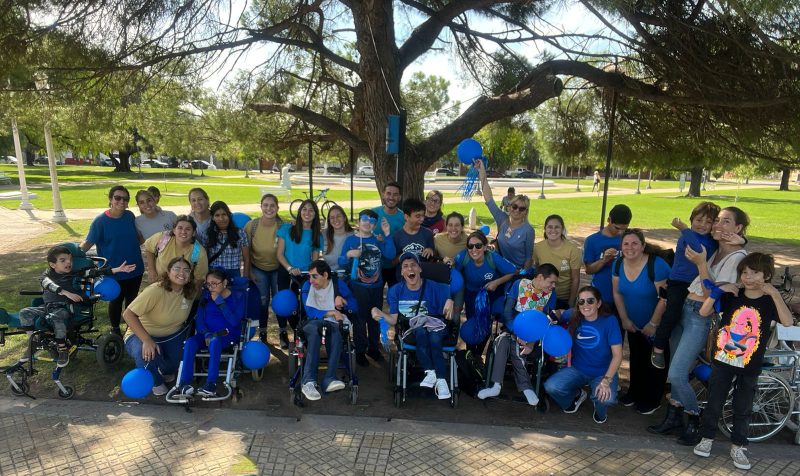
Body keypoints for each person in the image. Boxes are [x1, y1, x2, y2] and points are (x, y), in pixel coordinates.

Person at [692, 253, 794, 471]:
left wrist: (775, 294)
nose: (748, 277)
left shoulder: (769, 301)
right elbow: (703, 311)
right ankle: (706, 437)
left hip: (750, 364)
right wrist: (718, 292)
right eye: (744, 272)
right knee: (715, 401)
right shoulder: (733, 294)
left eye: (754, 272)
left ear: (766, 275)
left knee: (744, 405)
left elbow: (787, 321)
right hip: (724, 359)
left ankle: (738, 445)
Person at [662, 207, 750, 446]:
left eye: (726, 222)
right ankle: (675, 416)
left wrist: (701, 263)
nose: (718, 225)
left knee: (677, 374)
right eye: (717, 221)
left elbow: (712, 289)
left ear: (738, 228)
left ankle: (696, 419)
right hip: (685, 308)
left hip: (700, 317)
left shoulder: (737, 257)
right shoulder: (717, 248)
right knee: (676, 368)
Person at [18, 245, 135, 366]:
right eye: (63, 260)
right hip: (48, 307)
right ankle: (33, 343)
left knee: (56, 317)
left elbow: (96, 272)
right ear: (53, 265)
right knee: (24, 312)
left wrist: (118, 269)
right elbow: (48, 284)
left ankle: (62, 350)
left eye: (70, 259)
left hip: (66, 308)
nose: (68, 262)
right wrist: (66, 292)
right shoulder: (46, 275)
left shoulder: (75, 273)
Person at [372, 252, 454, 400]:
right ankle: (431, 372)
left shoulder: (436, 287)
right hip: (412, 331)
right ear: (402, 272)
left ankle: (440, 380)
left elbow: (451, 297)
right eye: (405, 266)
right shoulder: (395, 291)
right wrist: (379, 312)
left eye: (413, 265)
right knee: (421, 331)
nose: (410, 268)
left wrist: (451, 300)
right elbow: (394, 320)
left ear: (420, 269)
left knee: (434, 338)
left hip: (436, 327)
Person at [650, 202, 721, 370]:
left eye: (708, 221)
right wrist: (683, 229)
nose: (702, 225)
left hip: (696, 284)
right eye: (698, 220)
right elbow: (696, 248)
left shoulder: (711, 241)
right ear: (691, 220)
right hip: (679, 283)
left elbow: (713, 246)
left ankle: (695, 352)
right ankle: (658, 348)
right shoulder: (685, 238)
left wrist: (741, 239)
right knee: (672, 314)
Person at [478, 264, 559, 406]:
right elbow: (507, 312)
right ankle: (523, 387)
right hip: (512, 326)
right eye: (551, 282)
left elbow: (546, 322)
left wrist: (531, 342)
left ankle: (497, 385)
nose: (553, 286)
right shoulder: (519, 285)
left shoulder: (551, 295)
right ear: (540, 277)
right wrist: (517, 332)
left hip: (533, 333)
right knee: (503, 340)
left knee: (506, 342)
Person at [611, 228, 671, 415]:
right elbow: (617, 292)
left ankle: (653, 399)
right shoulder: (618, 263)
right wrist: (624, 319)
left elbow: (665, 298)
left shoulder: (657, 265)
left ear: (643, 246)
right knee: (637, 356)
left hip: (657, 323)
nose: (630, 247)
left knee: (655, 360)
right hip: (633, 322)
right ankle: (635, 392)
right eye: (626, 244)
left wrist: (653, 324)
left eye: (635, 243)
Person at [544, 286, 623, 424]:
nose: (585, 305)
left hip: (602, 373)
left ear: (598, 303)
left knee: (605, 399)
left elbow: (617, 355)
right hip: (577, 369)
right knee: (551, 387)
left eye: (590, 301)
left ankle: (598, 407)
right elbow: (560, 313)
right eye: (581, 302)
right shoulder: (575, 314)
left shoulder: (610, 321)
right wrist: (548, 319)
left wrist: (606, 381)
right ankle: (577, 396)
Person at [123, 257, 196, 396]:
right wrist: (146, 340)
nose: (182, 273)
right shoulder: (155, 290)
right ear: (168, 272)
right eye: (177, 269)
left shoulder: (190, 292)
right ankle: (155, 381)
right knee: (144, 354)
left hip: (171, 336)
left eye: (186, 270)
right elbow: (128, 314)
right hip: (142, 334)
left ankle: (162, 368)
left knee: (175, 366)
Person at [80, 186, 145, 337]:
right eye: (117, 198)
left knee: (132, 301)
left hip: (135, 268)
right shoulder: (100, 222)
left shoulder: (130, 216)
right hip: (113, 270)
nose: (121, 201)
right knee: (116, 300)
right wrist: (72, 255)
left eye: (125, 199)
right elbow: (88, 243)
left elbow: (139, 238)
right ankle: (115, 329)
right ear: (110, 200)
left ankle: (131, 329)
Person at [176, 270, 245, 397]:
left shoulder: (238, 296)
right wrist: (206, 333)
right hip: (206, 335)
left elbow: (234, 321)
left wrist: (220, 302)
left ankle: (211, 384)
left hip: (226, 335)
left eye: (214, 283)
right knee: (190, 342)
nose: (210, 287)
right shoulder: (205, 296)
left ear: (224, 283)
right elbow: (200, 320)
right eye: (208, 284)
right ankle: (184, 383)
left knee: (214, 341)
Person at [339, 209, 395, 366]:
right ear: (358, 221)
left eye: (371, 221)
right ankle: (360, 350)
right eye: (364, 219)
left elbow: (390, 255)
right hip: (357, 287)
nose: (367, 223)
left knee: (375, 318)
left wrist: (387, 234)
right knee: (359, 318)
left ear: (375, 225)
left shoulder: (378, 240)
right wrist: (349, 254)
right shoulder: (350, 240)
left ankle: (373, 347)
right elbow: (342, 262)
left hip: (376, 286)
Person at [448, 230, 517, 355]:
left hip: (491, 293)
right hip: (472, 294)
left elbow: (512, 271)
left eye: (478, 245)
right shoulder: (463, 257)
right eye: (470, 246)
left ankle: (478, 355)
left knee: (486, 322)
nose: (474, 249)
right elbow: (453, 275)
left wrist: (496, 282)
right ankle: (470, 355)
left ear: (485, 247)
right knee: (472, 324)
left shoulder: (492, 257)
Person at [299, 260, 358, 400]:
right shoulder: (307, 286)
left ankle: (329, 378)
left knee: (337, 331)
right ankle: (308, 382)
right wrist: (331, 312)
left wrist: (343, 301)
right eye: (310, 276)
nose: (311, 280)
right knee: (314, 332)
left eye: (315, 276)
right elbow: (310, 311)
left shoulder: (338, 285)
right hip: (313, 322)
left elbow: (355, 307)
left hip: (332, 324)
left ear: (325, 275)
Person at [276, 199, 324, 348]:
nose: (307, 213)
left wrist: (311, 274)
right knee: (287, 305)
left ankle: (304, 336)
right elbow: (279, 254)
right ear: (299, 212)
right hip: (286, 272)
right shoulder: (286, 229)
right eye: (304, 209)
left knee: (305, 307)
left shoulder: (317, 235)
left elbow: (315, 261)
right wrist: (290, 268)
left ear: (315, 214)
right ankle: (292, 331)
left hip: (305, 275)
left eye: (311, 210)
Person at [475, 159, 534, 269]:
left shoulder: (528, 230)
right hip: (500, 266)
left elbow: (528, 258)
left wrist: (521, 276)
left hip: (517, 271)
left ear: (526, 211)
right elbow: (489, 198)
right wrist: (481, 170)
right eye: (514, 206)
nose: (517, 210)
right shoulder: (502, 218)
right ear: (509, 206)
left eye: (522, 208)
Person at [247, 193, 282, 343]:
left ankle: (283, 334)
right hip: (258, 268)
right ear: (261, 207)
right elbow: (245, 251)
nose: (269, 208)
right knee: (262, 302)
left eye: (272, 205)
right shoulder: (252, 225)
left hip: (278, 269)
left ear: (277, 208)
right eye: (265, 205)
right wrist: (248, 271)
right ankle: (262, 333)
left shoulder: (283, 227)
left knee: (280, 303)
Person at [582, 204, 632, 310]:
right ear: (609, 220)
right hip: (603, 295)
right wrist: (603, 260)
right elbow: (589, 270)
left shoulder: (629, 239)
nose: (620, 232)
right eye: (617, 228)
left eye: (624, 229)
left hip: (626, 295)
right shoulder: (592, 241)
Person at [143, 215, 209, 289]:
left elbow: (199, 278)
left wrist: (188, 295)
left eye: (188, 229)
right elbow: (148, 248)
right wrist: (151, 270)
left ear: (193, 233)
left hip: (181, 289)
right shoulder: (163, 238)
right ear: (174, 230)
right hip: (158, 284)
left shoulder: (198, 251)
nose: (183, 232)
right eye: (180, 228)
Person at [533, 214, 583, 309]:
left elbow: (576, 279)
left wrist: (571, 302)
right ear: (545, 229)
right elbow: (537, 271)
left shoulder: (573, 250)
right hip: (543, 295)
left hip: (563, 297)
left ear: (562, 229)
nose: (553, 230)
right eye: (550, 227)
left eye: (557, 227)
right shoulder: (538, 248)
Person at [203, 201, 250, 279]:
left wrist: (245, 278)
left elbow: (247, 258)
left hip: (234, 273)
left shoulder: (240, 233)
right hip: (214, 274)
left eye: (224, 214)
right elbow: (204, 259)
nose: (221, 219)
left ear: (229, 215)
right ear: (213, 218)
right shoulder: (207, 234)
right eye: (217, 215)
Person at [392, 198, 435, 278]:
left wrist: (431, 250)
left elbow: (433, 257)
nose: (422, 219)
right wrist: (403, 256)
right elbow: (393, 262)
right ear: (406, 217)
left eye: (423, 215)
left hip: (423, 277)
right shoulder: (397, 236)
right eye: (417, 216)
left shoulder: (427, 233)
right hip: (403, 279)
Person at [372, 182, 404, 287]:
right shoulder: (373, 214)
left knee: (395, 298)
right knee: (374, 300)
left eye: (395, 194)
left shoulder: (403, 218)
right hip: (374, 265)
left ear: (399, 197)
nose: (391, 197)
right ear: (383, 194)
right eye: (388, 193)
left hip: (394, 265)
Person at [322, 205, 353, 273]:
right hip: (329, 277)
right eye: (332, 217)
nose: (335, 219)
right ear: (329, 221)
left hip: (349, 277)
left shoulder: (354, 236)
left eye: (338, 216)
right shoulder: (323, 235)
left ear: (344, 218)